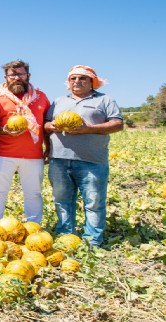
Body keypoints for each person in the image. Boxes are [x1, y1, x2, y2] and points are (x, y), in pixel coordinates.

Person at [44, 65, 123, 247]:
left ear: (91, 82)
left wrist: (89, 129)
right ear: (68, 82)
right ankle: (66, 236)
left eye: (82, 79)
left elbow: (118, 124)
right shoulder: (59, 101)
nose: (77, 82)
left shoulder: (104, 100)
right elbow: (46, 125)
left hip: (92, 161)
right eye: (73, 79)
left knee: (94, 202)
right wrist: (52, 126)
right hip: (60, 160)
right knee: (62, 200)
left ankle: (92, 241)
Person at [0, 60, 50, 224]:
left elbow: (45, 126)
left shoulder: (41, 97)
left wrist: (48, 148)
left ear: (28, 75)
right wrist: (3, 130)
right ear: (6, 77)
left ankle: (34, 227)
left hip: (33, 155)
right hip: (3, 154)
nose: (17, 78)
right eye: (13, 75)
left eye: (21, 74)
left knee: (34, 193)